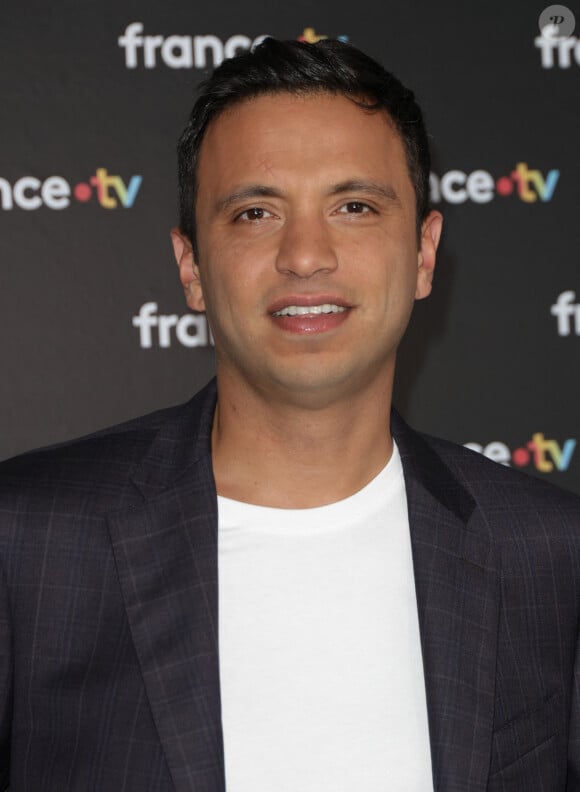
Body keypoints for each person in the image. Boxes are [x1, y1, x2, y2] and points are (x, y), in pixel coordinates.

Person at [0, 37, 579, 792]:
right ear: (191, 269)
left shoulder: (550, 555)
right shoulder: (27, 545)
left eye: (355, 206)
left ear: (426, 253)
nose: (306, 254)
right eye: (255, 213)